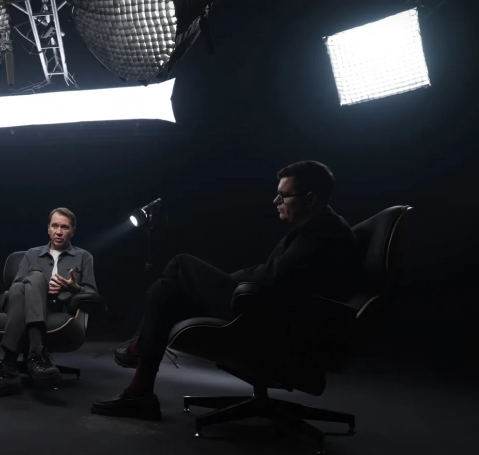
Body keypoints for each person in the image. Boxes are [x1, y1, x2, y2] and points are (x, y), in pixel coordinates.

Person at [91, 161, 361, 420]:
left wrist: (229, 283)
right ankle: (139, 391)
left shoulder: (325, 230)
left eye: (284, 195)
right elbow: (274, 272)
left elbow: (274, 278)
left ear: (310, 198)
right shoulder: (315, 228)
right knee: (167, 290)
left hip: (276, 320)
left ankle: (139, 348)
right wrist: (227, 281)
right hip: (272, 309)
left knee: (181, 263)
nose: (275, 201)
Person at [0, 207, 99, 398]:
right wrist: (40, 287)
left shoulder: (83, 256)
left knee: (28, 281)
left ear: (73, 231)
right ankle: (36, 355)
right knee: (29, 281)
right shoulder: (31, 254)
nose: (59, 231)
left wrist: (73, 288)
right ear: (48, 228)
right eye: (55, 226)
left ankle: (9, 367)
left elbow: (92, 295)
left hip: (56, 309)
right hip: (21, 304)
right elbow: (17, 285)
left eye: (64, 227)